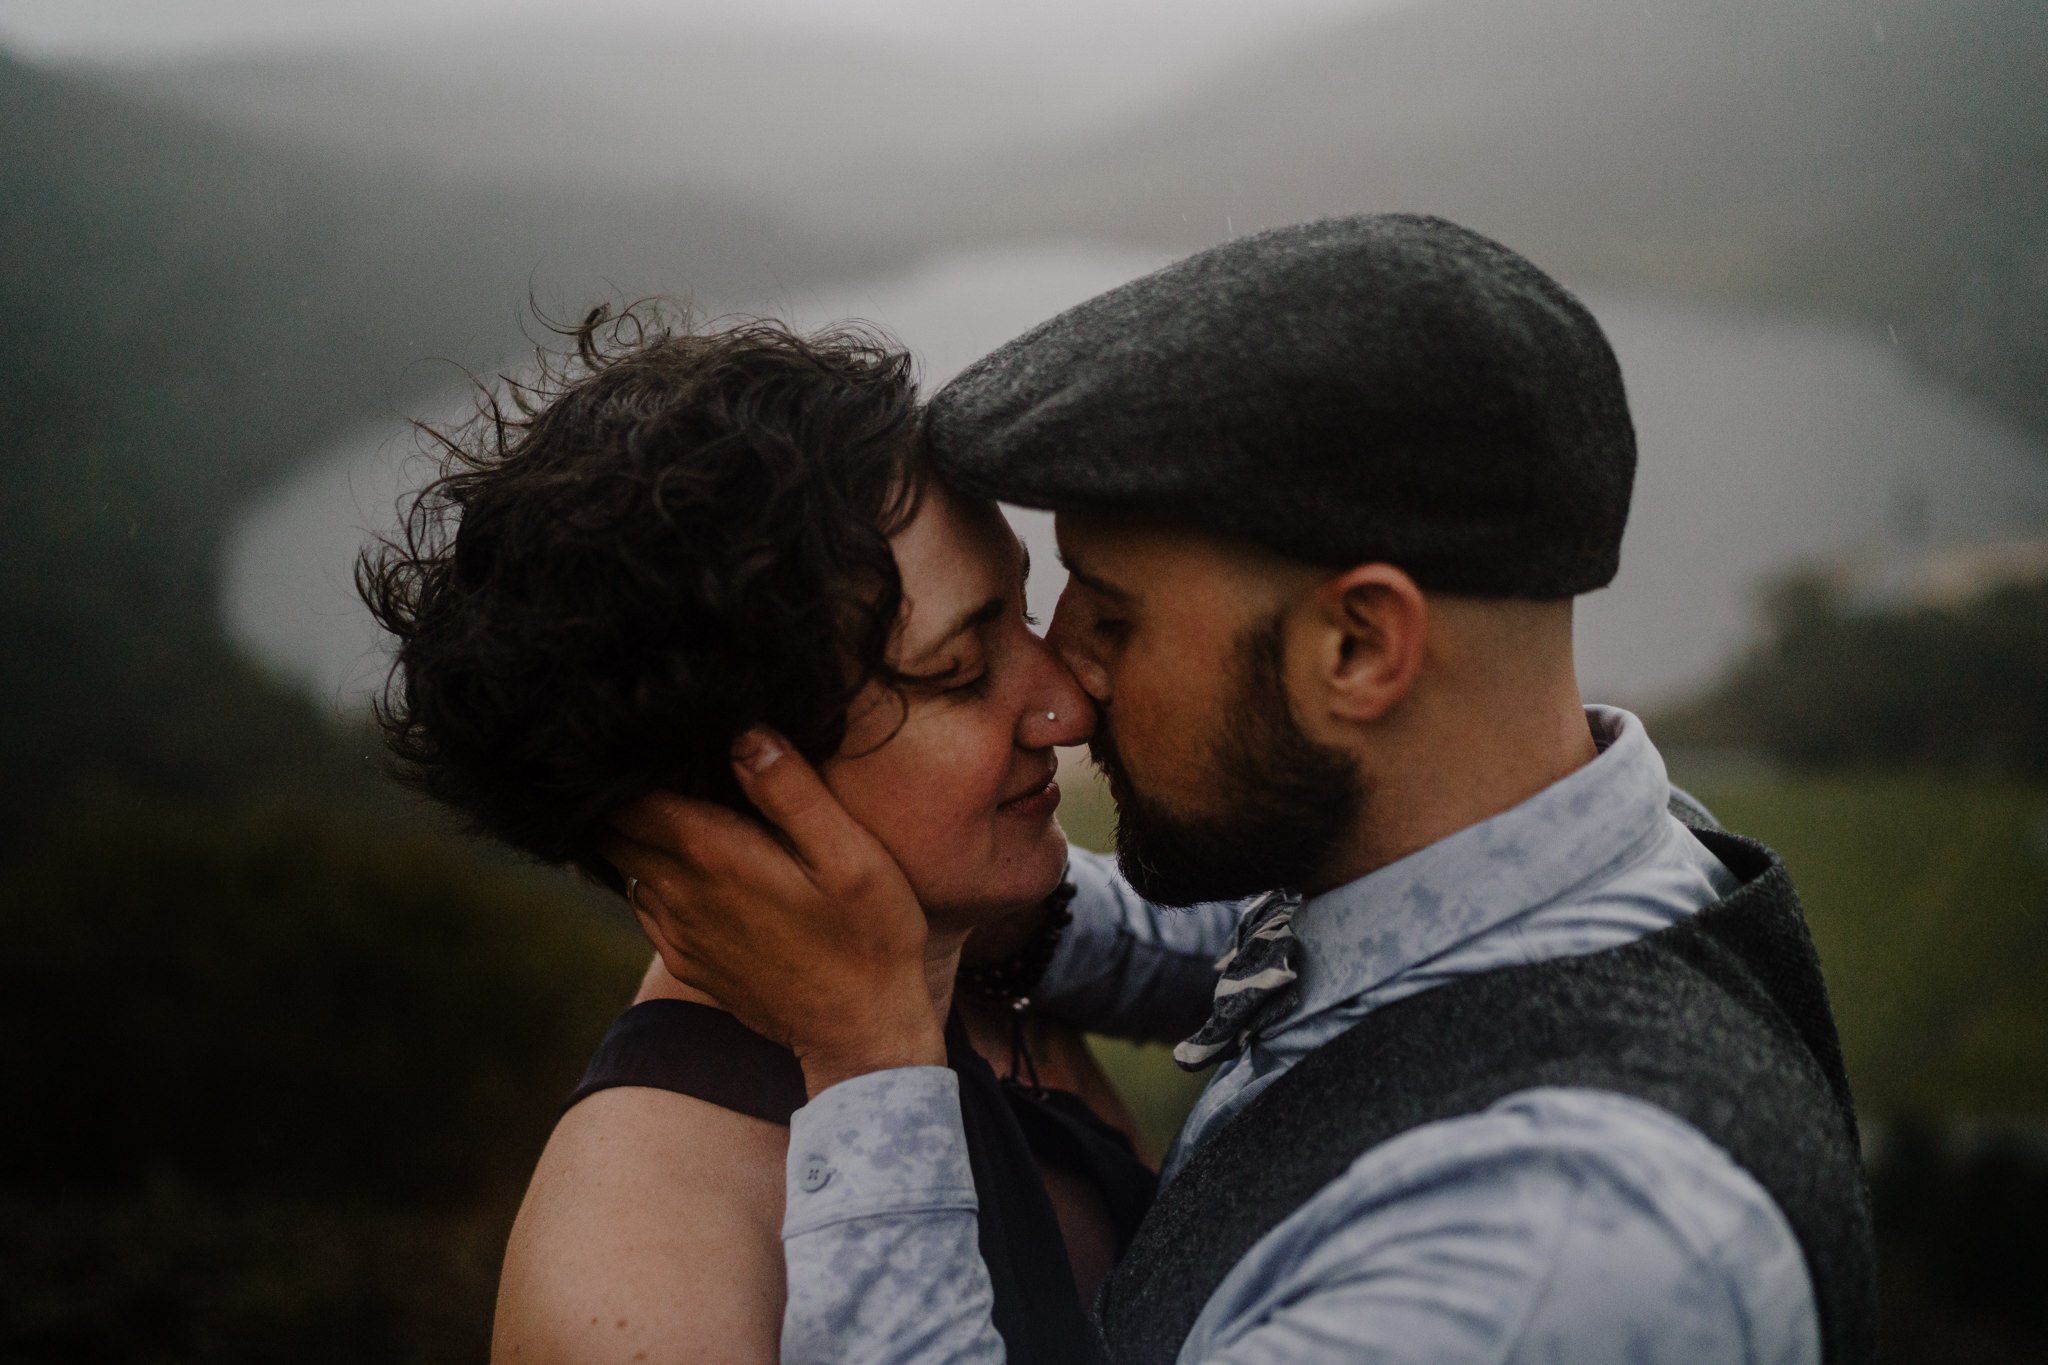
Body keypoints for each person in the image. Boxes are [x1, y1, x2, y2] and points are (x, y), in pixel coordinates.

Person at [607, 216, 1879, 1363]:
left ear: (1359, 648)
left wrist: (870, 1056)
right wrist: (976, 901)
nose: (1071, 686)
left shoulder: (1548, 1252)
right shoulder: (1547, 861)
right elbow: (1289, 961)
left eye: (1113, 619)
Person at [354, 309, 1166, 1365]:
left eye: (1019, 611)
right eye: (959, 671)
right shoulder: (638, 1295)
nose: (1065, 705)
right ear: (721, 789)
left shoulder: (976, 962)